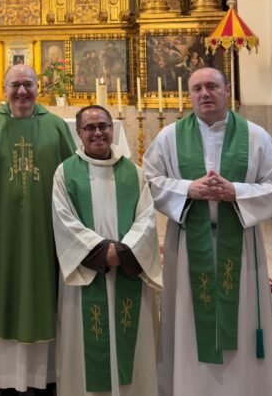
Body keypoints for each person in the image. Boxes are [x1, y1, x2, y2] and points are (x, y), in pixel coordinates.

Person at [142, 67, 272, 396]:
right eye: (196, 88)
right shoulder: (169, 137)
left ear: (227, 91)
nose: (204, 93)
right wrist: (188, 189)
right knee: (189, 325)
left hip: (240, 246)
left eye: (212, 86)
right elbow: (149, 182)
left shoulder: (255, 136)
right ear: (190, 95)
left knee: (240, 322)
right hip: (187, 250)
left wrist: (236, 193)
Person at [0, 63, 78, 394]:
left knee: (45, 292)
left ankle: (46, 374)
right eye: (15, 85)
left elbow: (73, 180)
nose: (22, 91)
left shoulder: (55, 127)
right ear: (4, 89)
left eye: (28, 84)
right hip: (1, 237)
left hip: (46, 236)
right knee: (6, 289)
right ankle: (6, 374)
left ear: (38, 87)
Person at [52, 106, 161, 396]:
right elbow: (63, 220)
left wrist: (124, 251)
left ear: (113, 129)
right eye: (90, 128)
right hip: (87, 273)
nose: (98, 132)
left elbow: (147, 218)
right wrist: (101, 252)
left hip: (127, 271)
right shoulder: (65, 172)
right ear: (79, 134)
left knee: (133, 352)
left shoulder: (134, 173)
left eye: (103, 126)